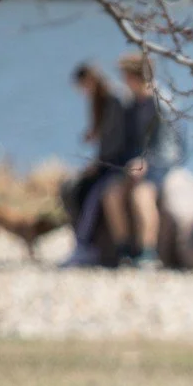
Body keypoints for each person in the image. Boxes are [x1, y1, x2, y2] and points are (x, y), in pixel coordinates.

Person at [100, 51, 185, 266]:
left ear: (134, 76)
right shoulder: (132, 103)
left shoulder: (161, 103)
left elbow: (171, 147)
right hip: (134, 165)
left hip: (159, 164)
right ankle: (124, 251)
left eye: (125, 76)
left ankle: (148, 252)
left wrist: (147, 162)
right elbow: (128, 141)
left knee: (141, 196)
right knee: (111, 193)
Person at [59, 63, 130, 268]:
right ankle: (82, 243)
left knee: (89, 194)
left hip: (117, 162)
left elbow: (117, 139)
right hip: (106, 160)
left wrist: (99, 164)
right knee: (71, 188)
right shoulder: (99, 99)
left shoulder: (115, 98)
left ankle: (86, 245)